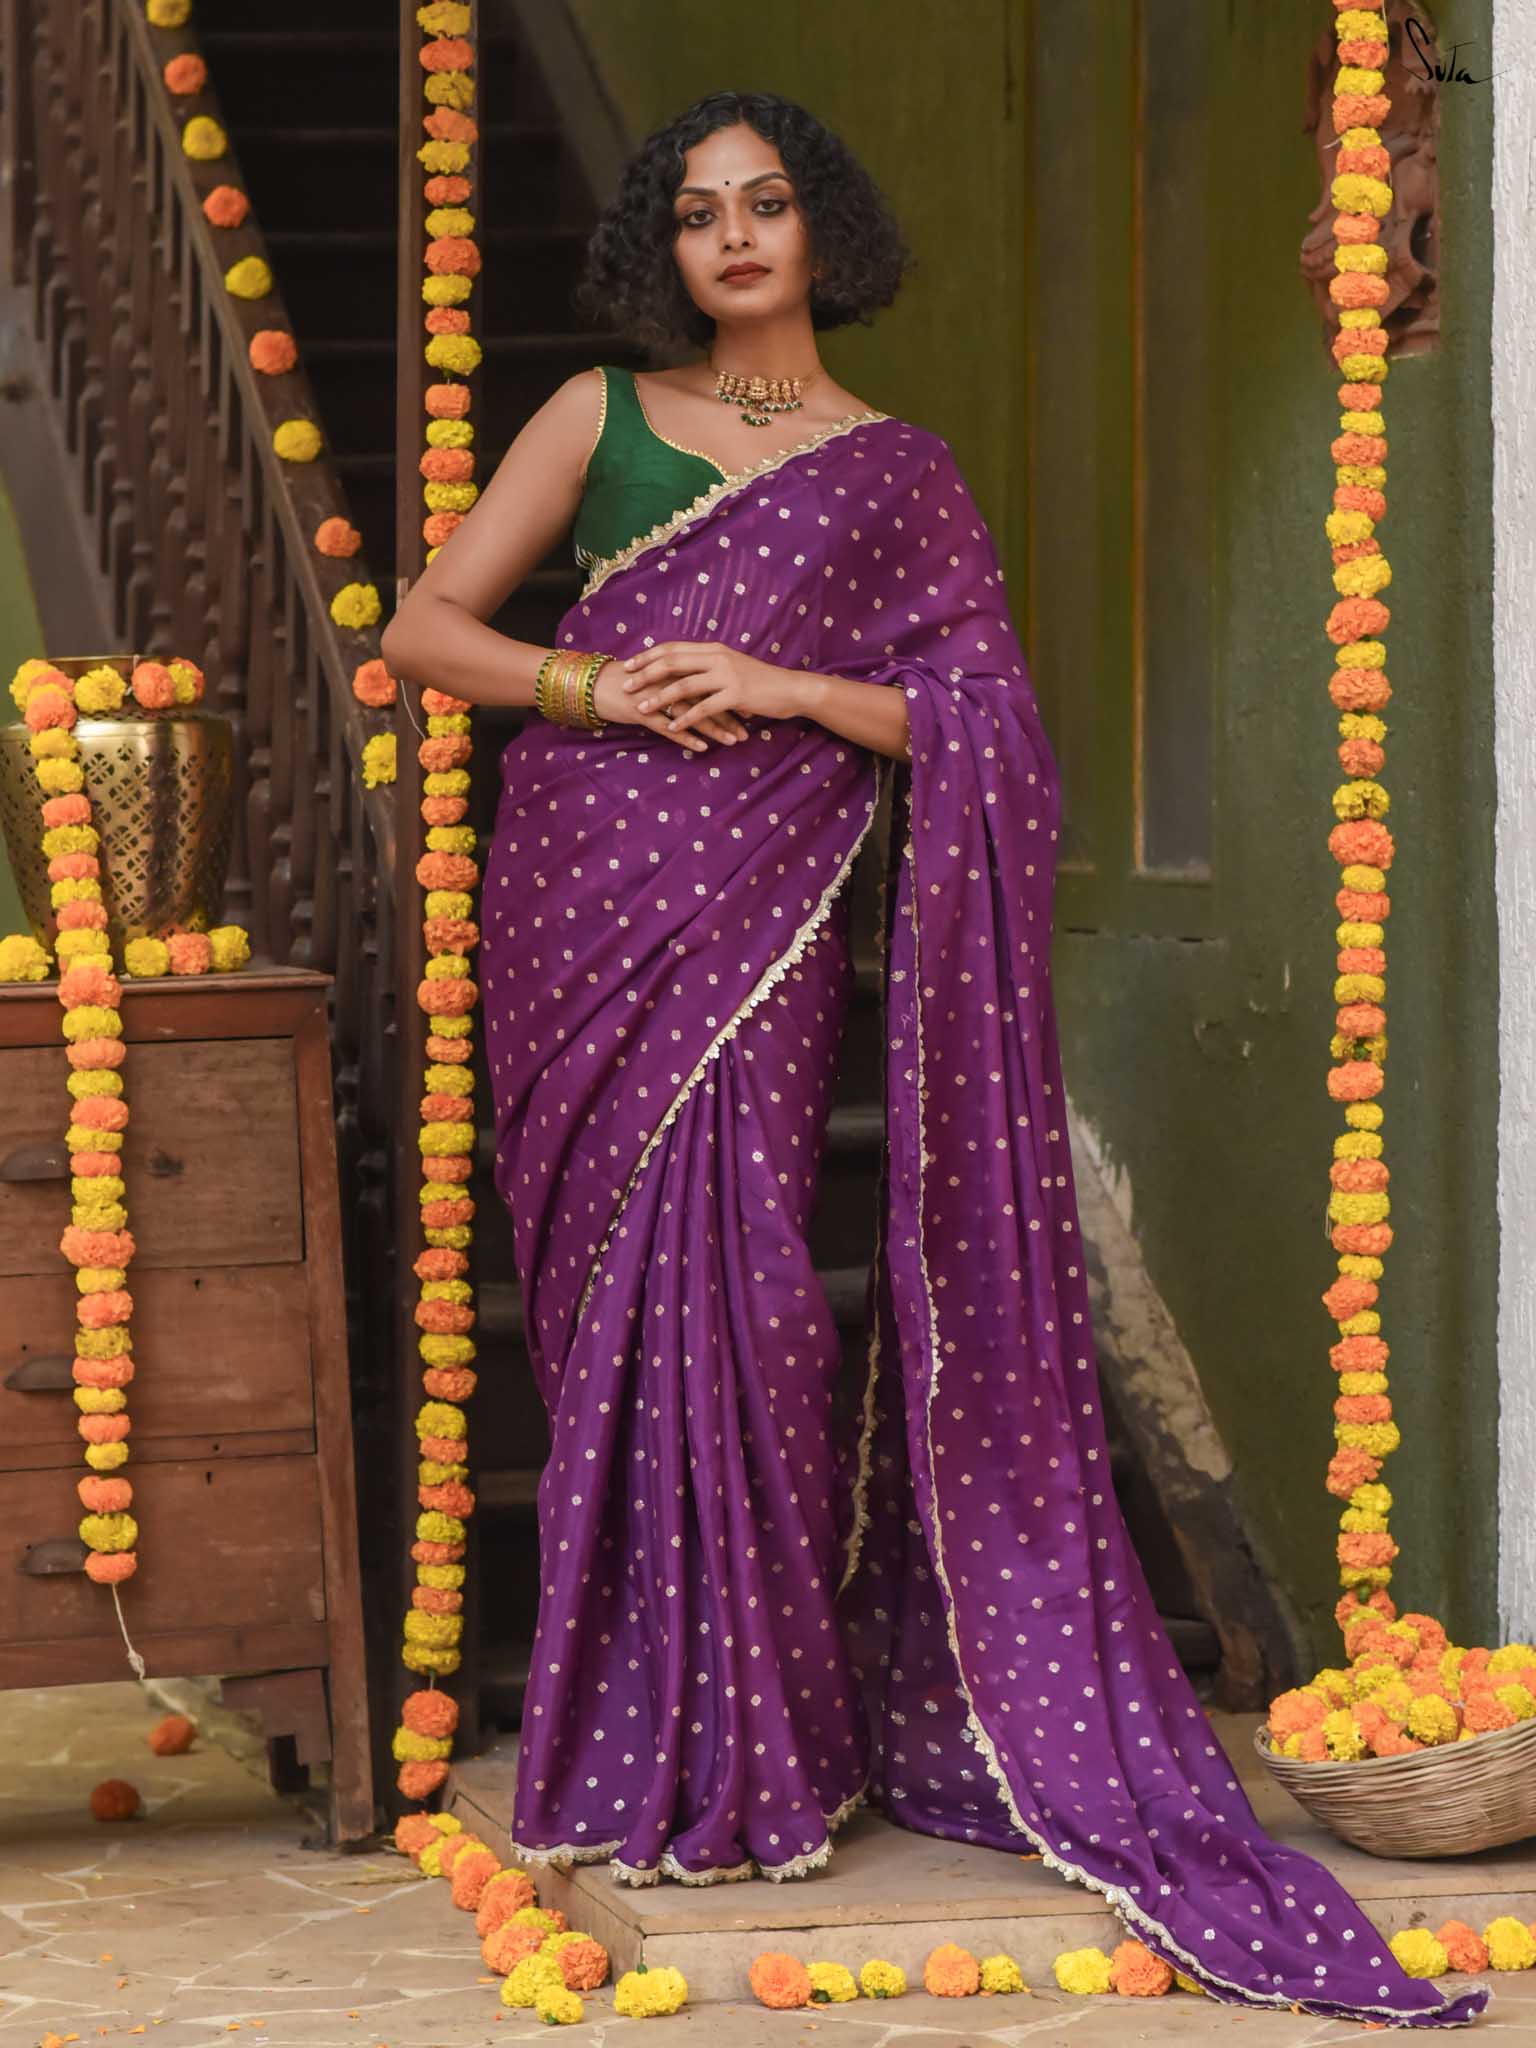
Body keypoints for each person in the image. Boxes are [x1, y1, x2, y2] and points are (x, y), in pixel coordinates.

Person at [379, 90, 1485, 2030]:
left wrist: (786, 685)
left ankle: (769, 1755)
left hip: (769, 917)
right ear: (667, 244)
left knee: (755, 1311)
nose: (736, 236)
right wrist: (593, 680)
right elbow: (424, 631)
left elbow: (986, 724)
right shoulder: (599, 417)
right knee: (614, 1324)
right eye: (700, 211)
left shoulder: (900, 475)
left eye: (767, 203)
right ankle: (636, 1756)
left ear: (822, 231)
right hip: (587, 900)